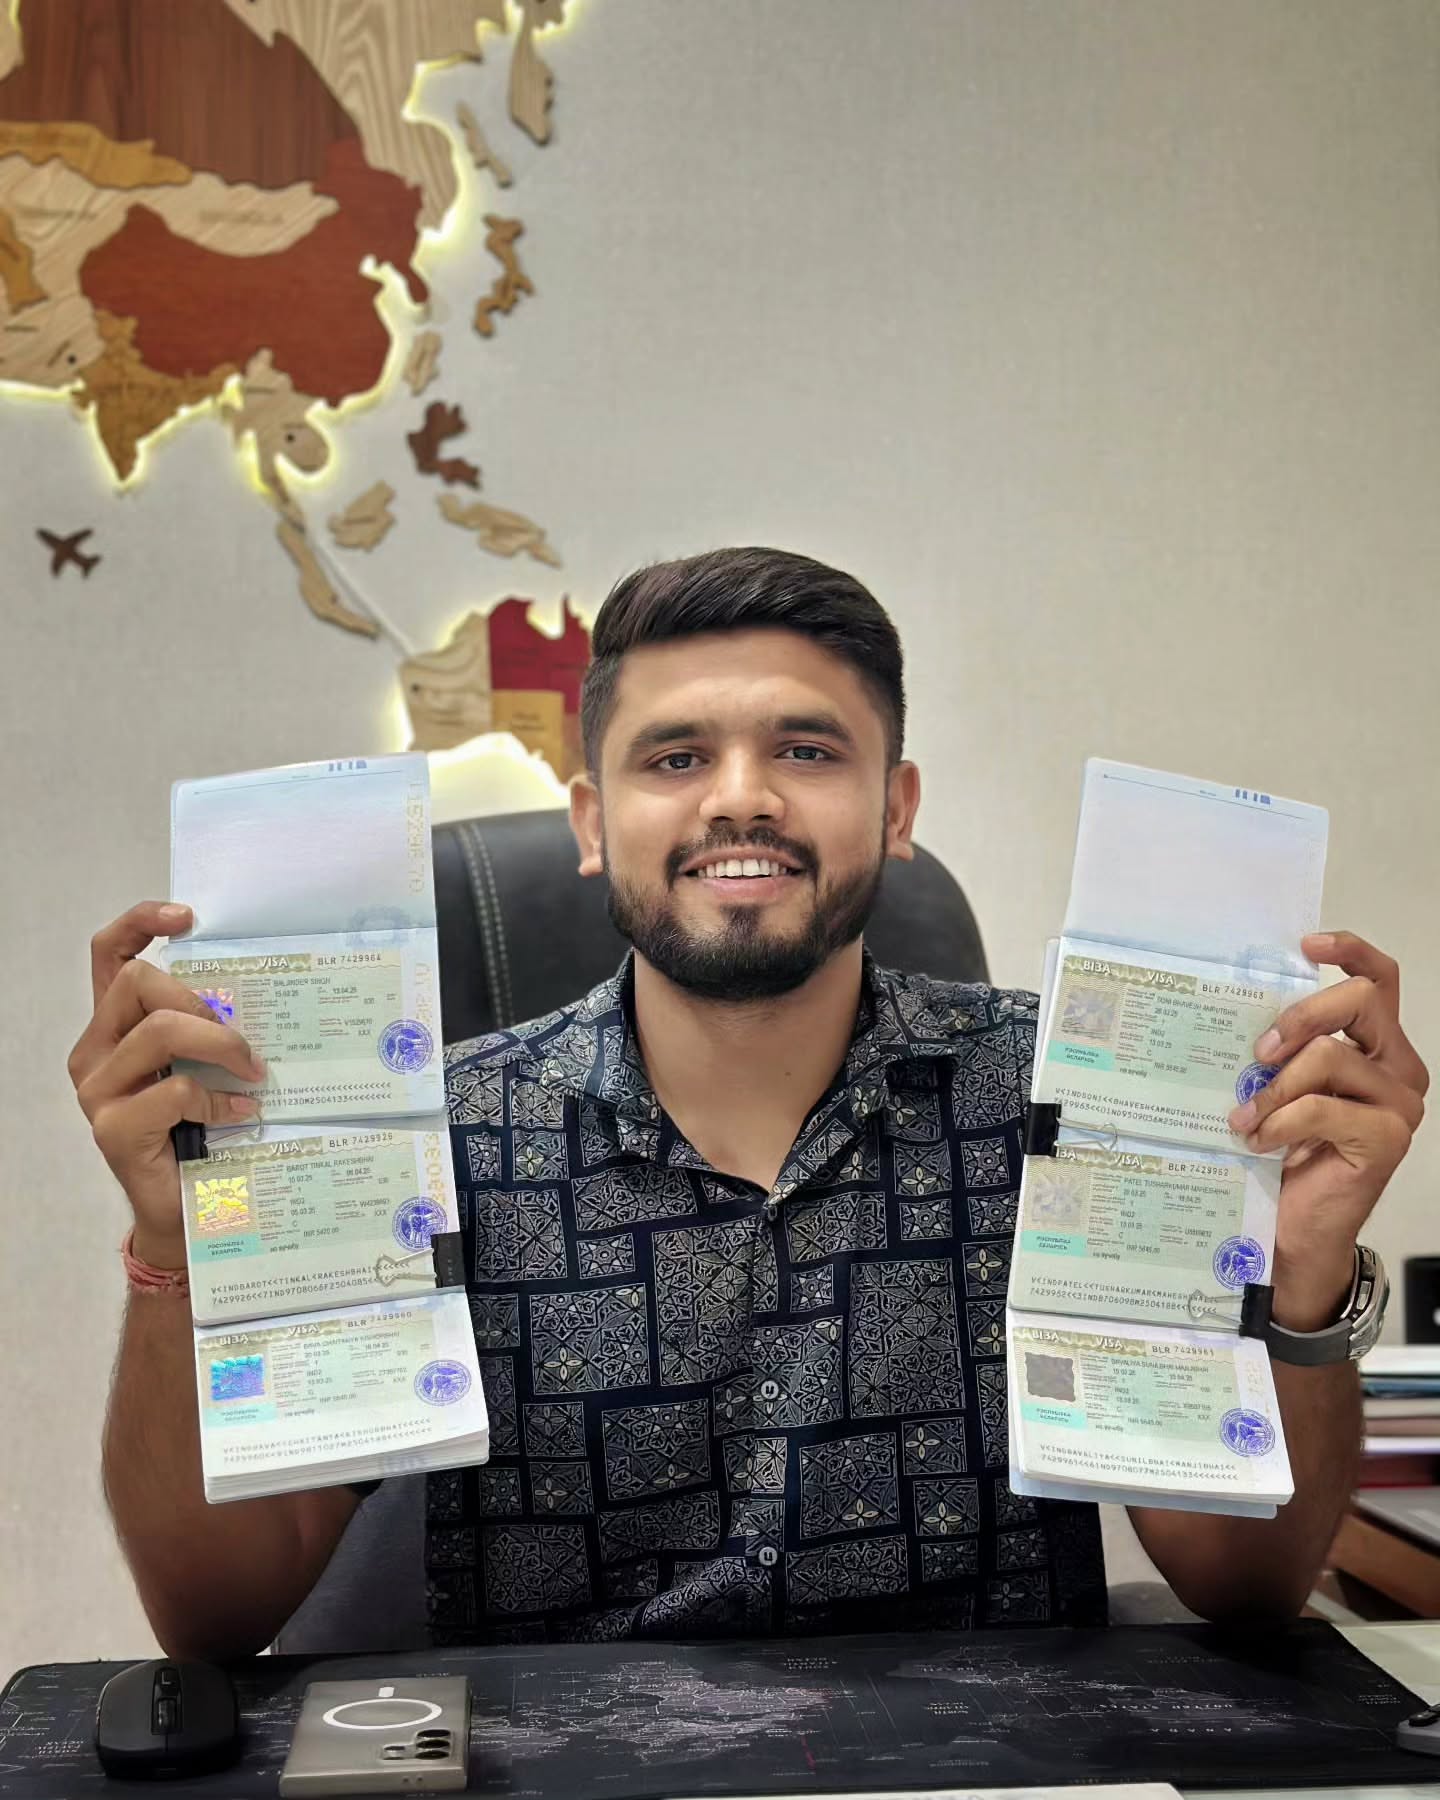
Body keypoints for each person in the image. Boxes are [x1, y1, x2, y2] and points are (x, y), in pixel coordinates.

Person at [71, 547, 1428, 1658]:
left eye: (807, 749)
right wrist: (177, 1250)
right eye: (674, 759)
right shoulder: (433, 1139)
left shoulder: (1064, 1111)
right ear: (591, 822)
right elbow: (214, 1616)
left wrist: (1304, 1274)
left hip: (981, 1771)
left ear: (895, 809)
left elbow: (1244, 1586)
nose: (741, 798)